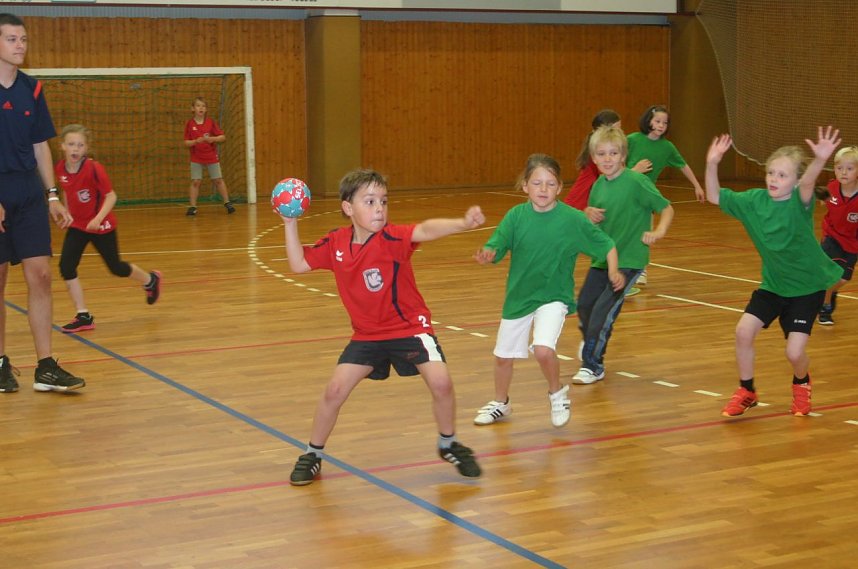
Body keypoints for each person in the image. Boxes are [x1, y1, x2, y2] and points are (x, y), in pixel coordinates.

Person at [282, 168, 484, 486]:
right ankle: (312, 454)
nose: (379, 208)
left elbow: (426, 230)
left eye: (384, 201)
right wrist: (290, 223)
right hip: (367, 335)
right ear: (348, 208)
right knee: (334, 391)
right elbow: (298, 264)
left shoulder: (392, 238)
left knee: (442, 383)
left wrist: (462, 223)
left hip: (409, 329)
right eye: (370, 201)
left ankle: (449, 444)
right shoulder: (336, 242)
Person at [473, 154, 622, 428]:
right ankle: (500, 403)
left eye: (550, 184)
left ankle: (557, 393)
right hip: (520, 296)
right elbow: (497, 246)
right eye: (537, 183)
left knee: (543, 349)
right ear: (525, 186)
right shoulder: (516, 216)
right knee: (503, 357)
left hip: (555, 297)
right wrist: (488, 254)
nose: (543, 189)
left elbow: (607, 244)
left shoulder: (572, 219)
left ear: (559, 187)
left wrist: (613, 270)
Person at [704, 127, 842, 417]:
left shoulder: (798, 203)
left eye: (782, 175)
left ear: (794, 181)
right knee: (743, 331)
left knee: (793, 353)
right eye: (771, 173)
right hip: (774, 285)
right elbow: (715, 196)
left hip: (807, 288)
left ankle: (802, 383)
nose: (774, 180)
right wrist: (712, 163)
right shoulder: (754, 201)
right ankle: (746, 390)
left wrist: (819, 160)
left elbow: (808, 184)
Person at [0, 13, 85, 394]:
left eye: (23, 39)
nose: (20, 45)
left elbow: (40, 146)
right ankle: (0, 363)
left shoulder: (32, 89)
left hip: (29, 194)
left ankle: (45, 366)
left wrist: (52, 194)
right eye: (11, 39)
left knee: (42, 276)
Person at [574, 125, 674, 385]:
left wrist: (659, 230)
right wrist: (587, 214)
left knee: (603, 313)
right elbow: (593, 226)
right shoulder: (598, 186)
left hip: (628, 260)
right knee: (584, 305)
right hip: (603, 259)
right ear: (594, 158)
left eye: (613, 153)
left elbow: (666, 208)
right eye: (602, 154)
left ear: (623, 156)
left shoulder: (636, 181)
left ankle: (593, 365)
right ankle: (591, 342)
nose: (608, 159)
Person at [54, 124, 162, 333]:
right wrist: (67, 215)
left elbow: (111, 196)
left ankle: (150, 280)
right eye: (71, 144)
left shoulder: (94, 168)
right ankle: (83, 315)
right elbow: (67, 191)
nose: (75, 149)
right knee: (66, 267)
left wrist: (98, 218)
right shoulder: (60, 168)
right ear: (62, 146)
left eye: (80, 145)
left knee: (116, 268)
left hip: (102, 226)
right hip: (78, 226)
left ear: (86, 148)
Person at [564, 109, 653, 299]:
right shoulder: (601, 158)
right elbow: (614, 177)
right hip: (580, 207)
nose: (620, 134)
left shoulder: (599, 153)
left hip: (584, 207)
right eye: (616, 129)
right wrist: (635, 170)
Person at [627, 105, 705, 286]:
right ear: (648, 121)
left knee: (645, 230)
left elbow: (683, 165)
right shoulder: (632, 140)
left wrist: (697, 185)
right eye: (657, 121)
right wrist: (634, 170)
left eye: (665, 123)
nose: (661, 125)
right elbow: (616, 164)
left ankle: (641, 269)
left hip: (646, 195)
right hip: (626, 191)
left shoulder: (667, 147)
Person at [815, 145, 858, 325]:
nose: (844, 173)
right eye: (839, 168)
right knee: (831, 276)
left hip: (853, 243)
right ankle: (824, 308)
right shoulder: (831, 188)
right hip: (832, 237)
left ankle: (830, 292)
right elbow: (816, 197)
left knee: (842, 279)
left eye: (850, 168)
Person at [183, 97, 234, 216]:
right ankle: (192, 207)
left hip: (211, 156)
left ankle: (227, 202)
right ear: (193, 109)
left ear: (206, 110)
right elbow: (186, 142)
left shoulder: (210, 122)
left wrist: (212, 139)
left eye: (203, 106)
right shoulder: (190, 124)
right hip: (196, 157)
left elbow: (222, 137)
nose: (201, 108)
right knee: (196, 181)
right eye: (198, 106)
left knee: (218, 180)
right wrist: (195, 141)